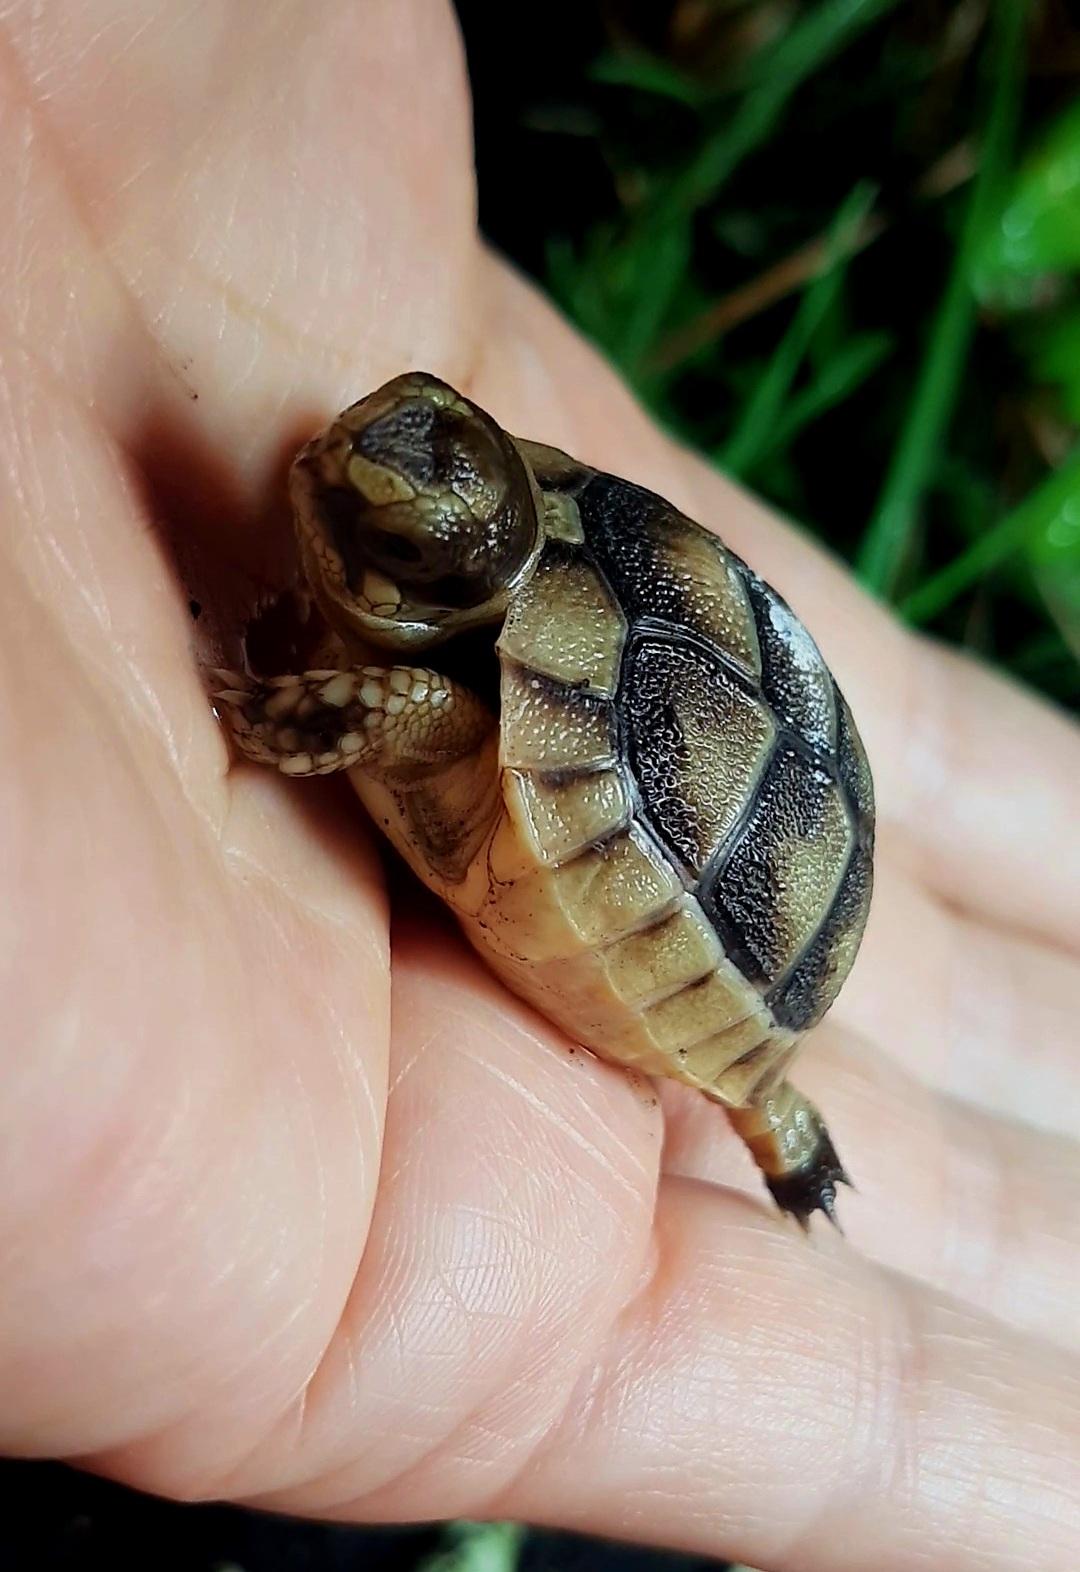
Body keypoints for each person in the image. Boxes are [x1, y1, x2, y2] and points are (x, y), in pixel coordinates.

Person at [1, 3, 1077, 1569]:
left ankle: (773, 1119)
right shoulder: (485, 541)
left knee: (413, 714)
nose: (329, 458)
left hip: (752, 915)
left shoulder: (437, 692)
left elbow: (399, 710)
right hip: (712, 716)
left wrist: (263, 703)